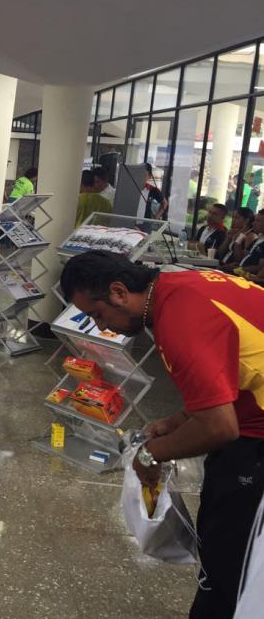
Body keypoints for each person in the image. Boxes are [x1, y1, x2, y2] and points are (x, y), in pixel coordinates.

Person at [59, 251, 264, 619]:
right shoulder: (183, 284)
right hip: (251, 417)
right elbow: (230, 366)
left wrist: (150, 455)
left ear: (119, 292)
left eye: (98, 315)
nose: (104, 328)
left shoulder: (178, 320)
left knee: (230, 563)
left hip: (256, 440)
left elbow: (220, 426)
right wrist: (177, 420)